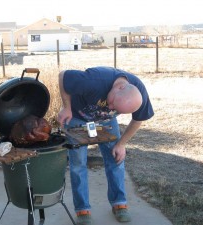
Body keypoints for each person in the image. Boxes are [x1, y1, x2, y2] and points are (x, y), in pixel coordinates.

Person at [57, 66, 154, 225]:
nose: (109, 107)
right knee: (78, 163)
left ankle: (119, 204)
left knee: (116, 158)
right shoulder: (94, 81)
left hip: (106, 121)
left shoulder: (139, 93)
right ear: (119, 87)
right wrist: (66, 107)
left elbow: (138, 120)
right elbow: (64, 76)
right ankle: (82, 209)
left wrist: (121, 144)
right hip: (76, 116)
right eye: (111, 103)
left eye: (116, 109)